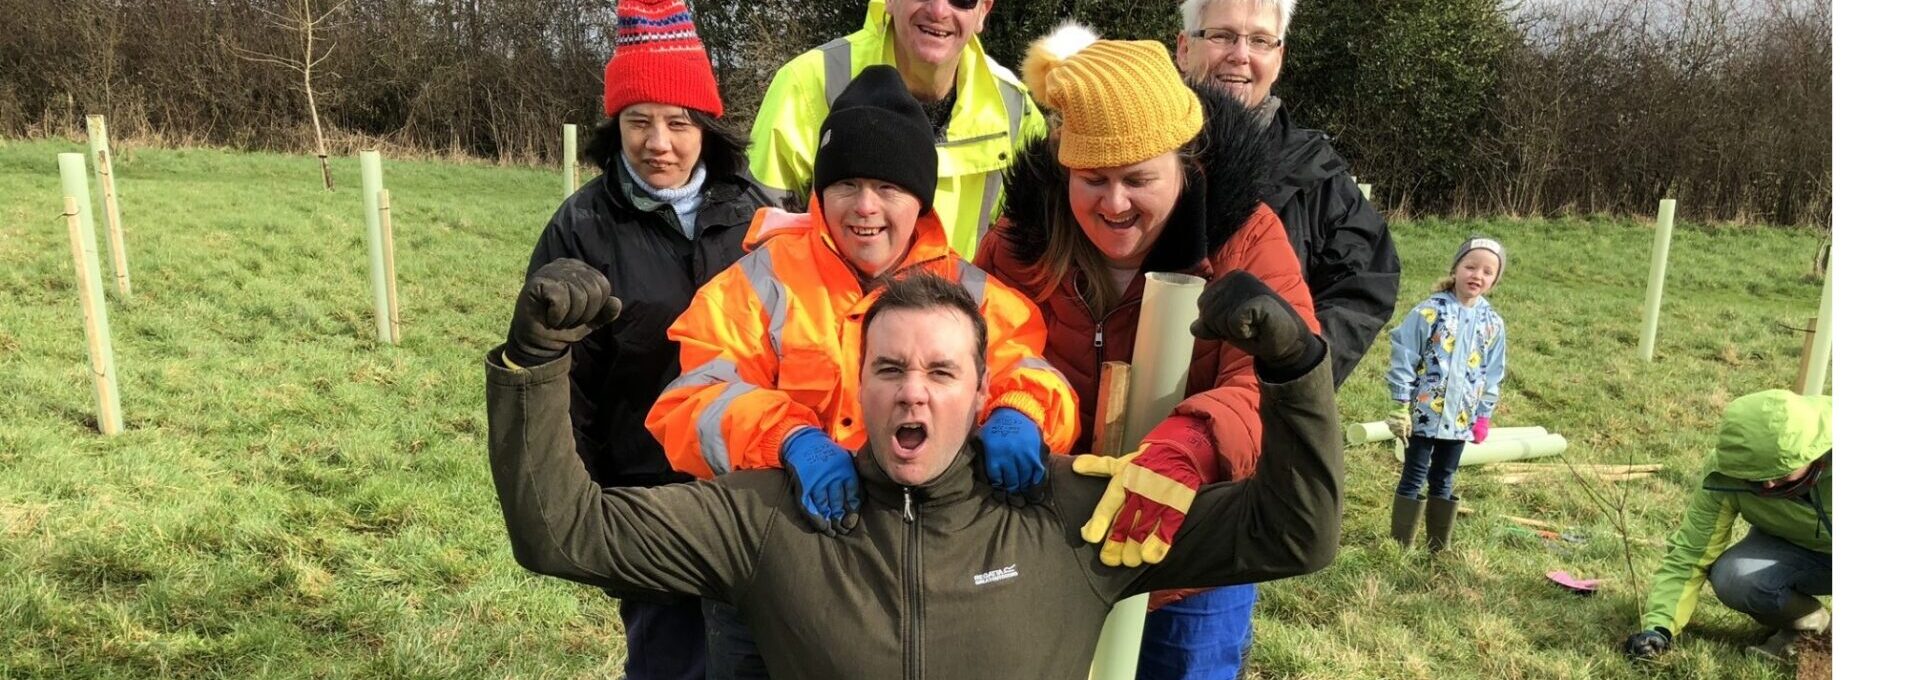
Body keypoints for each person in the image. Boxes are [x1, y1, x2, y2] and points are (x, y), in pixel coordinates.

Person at [486, 266, 1344, 679]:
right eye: (891, 369)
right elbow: (564, 532)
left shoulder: (1067, 515)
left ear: (981, 395)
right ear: (859, 387)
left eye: (942, 373)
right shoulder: (764, 518)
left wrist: (1295, 369)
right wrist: (535, 361)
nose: (915, 394)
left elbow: (1295, 534)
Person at [971, 24, 1321, 678]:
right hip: (1054, 540)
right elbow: (969, 355)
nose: (1115, 202)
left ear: (1183, 165)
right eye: (1092, 179)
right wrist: (1004, 411)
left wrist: (1193, 444)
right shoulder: (1017, 247)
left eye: (1139, 178)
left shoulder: (1249, 241)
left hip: (1194, 551)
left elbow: (1272, 383)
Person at [514, 2, 773, 676]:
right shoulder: (581, 229)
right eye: (639, 121)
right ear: (616, 127)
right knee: (670, 664)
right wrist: (589, 502)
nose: (659, 142)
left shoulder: (760, 212)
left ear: (706, 127)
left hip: (748, 493)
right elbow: (566, 385)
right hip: (645, 496)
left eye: (678, 123)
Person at [1173, 0, 1401, 387]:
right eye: (1222, 36)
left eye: (1260, 41)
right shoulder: (1136, 153)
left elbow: (1365, 284)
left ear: (1279, 58)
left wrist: (1290, 367)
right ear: (1183, 48)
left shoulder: (1317, 173)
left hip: (1255, 422)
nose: (1240, 55)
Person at [748, 0, 1046, 258]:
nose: (939, 9)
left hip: (958, 316)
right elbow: (757, 229)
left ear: (983, 11)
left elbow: (1033, 246)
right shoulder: (808, 82)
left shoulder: (1014, 106)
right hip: (826, 316)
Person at [1622, 390, 1832, 663]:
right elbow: (1690, 554)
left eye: (1780, 473)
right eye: (1755, 477)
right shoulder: (1725, 471)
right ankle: (1814, 626)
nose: (1767, 485)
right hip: (1795, 551)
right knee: (1734, 576)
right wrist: (1659, 627)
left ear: (1813, 453)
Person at [1383, 237, 1509, 552]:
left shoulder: (1492, 323)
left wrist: (1484, 415)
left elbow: (1493, 372)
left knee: (1444, 478)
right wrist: (1400, 403)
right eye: (1470, 266)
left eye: (1487, 271)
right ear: (1456, 268)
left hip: (1461, 418)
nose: (1477, 275)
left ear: (1494, 279)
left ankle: (1438, 547)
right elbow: (1405, 354)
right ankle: (1400, 547)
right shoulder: (1429, 311)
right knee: (1414, 475)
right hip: (1424, 417)